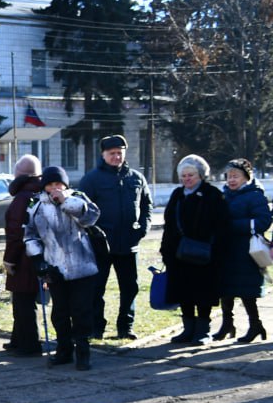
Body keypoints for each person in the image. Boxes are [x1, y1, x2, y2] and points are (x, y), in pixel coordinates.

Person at [23, 167, 102, 370]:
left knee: (81, 310)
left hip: (82, 266)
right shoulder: (36, 205)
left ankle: (83, 352)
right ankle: (64, 349)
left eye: (58, 184)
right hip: (54, 267)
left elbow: (90, 217)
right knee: (59, 312)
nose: (54, 188)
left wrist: (65, 200)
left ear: (65, 185)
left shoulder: (77, 198)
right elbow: (30, 235)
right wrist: (38, 260)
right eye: (50, 185)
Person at [78, 134, 154, 340]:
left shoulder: (136, 178)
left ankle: (125, 327)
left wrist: (142, 229)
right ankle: (97, 327)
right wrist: (92, 235)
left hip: (129, 244)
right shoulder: (91, 179)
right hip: (101, 246)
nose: (116, 157)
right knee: (97, 289)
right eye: (112, 153)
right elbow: (81, 210)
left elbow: (147, 205)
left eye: (119, 153)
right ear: (103, 155)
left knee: (130, 287)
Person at [161, 155, 227, 345]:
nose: (187, 179)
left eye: (191, 175)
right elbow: (169, 223)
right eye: (183, 176)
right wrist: (166, 251)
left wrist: (215, 249)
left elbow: (222, 225)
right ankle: (188, 329)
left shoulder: (212, 195)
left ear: (201, 175)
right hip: (179, 254)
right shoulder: (177, 195)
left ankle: (203, 330)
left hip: (205, 255)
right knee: (183, 292)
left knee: (204, 293)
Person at [213, 158, 270, 342]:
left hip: (246, 252)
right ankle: (227, 324)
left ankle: (255, 325)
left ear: (246, 178)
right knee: (225, 290)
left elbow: (263, 221)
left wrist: (233, 226)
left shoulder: (255, 195)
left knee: (247, 291)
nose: (231, 180)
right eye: (229, 176)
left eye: (235, 176)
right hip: (226, 251)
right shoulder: (223, 195)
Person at [3, 155, 45, 356]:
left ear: (20, 174)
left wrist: (9, 258)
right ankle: (18, 339)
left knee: (23, 301)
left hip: (23, 257)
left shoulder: (22, 197)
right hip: (39, 254)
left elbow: (15, 232)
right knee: (23, 300)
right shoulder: (40, 192)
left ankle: (29, 344)